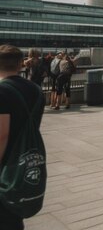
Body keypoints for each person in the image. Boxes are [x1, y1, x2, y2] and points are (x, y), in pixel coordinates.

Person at [0, 45, 46, 230]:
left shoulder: (2, 91)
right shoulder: (36, 90)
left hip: (6, 167)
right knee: (13, 217)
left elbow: (2, 135)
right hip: (27, 158)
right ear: (21, 64)